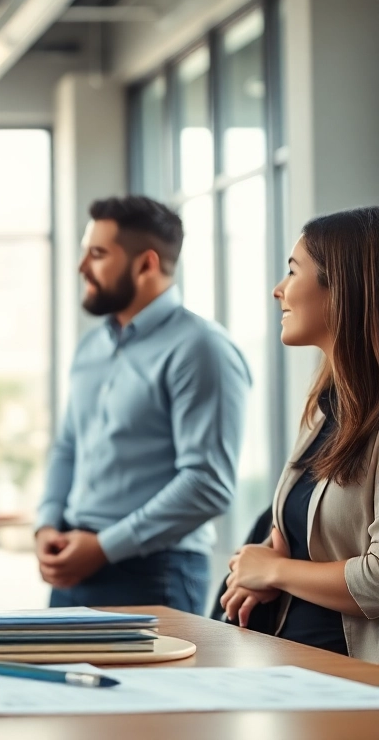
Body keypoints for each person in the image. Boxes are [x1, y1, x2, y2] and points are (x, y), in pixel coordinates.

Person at [36, 195, 250, 614]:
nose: (82, 268)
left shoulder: (201, 348)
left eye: (97, 254)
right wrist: (47, 523)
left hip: (155, 573)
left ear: (146, 264)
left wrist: (104, 547)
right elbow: (68, 446)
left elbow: (208, 484)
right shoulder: (92, 345)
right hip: (75, 563)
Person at [222, 207, 379, 662]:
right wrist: (264, 571)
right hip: (292, 668)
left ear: (344, 289)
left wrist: (275, 572)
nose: (278, 290)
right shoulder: (325, 408)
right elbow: (295, 545)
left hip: (354, 689)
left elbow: (375, 579)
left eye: (293, 270)